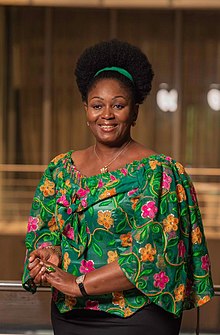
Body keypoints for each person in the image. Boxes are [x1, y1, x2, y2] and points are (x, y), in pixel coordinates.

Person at [22, 39, 214, 335]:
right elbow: (45, 230)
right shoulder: (60, 169)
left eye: (119, 105)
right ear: (86, 110)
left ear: (134, 112)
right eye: (97, 105)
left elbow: (151, 253)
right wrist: (47, 254)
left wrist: (77, 284)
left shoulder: (158, 172)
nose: (107, 115)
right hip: (72, 315)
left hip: (137, 316)